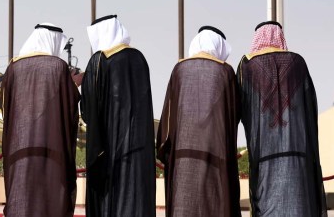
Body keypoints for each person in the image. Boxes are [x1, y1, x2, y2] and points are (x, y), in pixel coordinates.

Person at [237, 21, 327, 216]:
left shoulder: (248, 66)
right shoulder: (298, 63)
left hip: (265, 161)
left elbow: (239, 111)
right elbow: (309, 108)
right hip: (298, 161)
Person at [157, 26, 240, 217]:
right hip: (216, 156)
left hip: (183, 159)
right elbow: (234, 114)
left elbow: (168, 117)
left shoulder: (179, 69)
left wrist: (165, 148)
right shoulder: (225, 72)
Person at [1, 23, 80, 217]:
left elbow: (6, 113)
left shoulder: (13, 68)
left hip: (20, 155)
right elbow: (70, 110)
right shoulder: (58, 67)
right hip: (53, 156)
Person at [80, 15, 155, 217]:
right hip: (140, 154)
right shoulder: (140, 58)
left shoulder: (100, 61)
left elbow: (87, 111)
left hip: (111, 154)